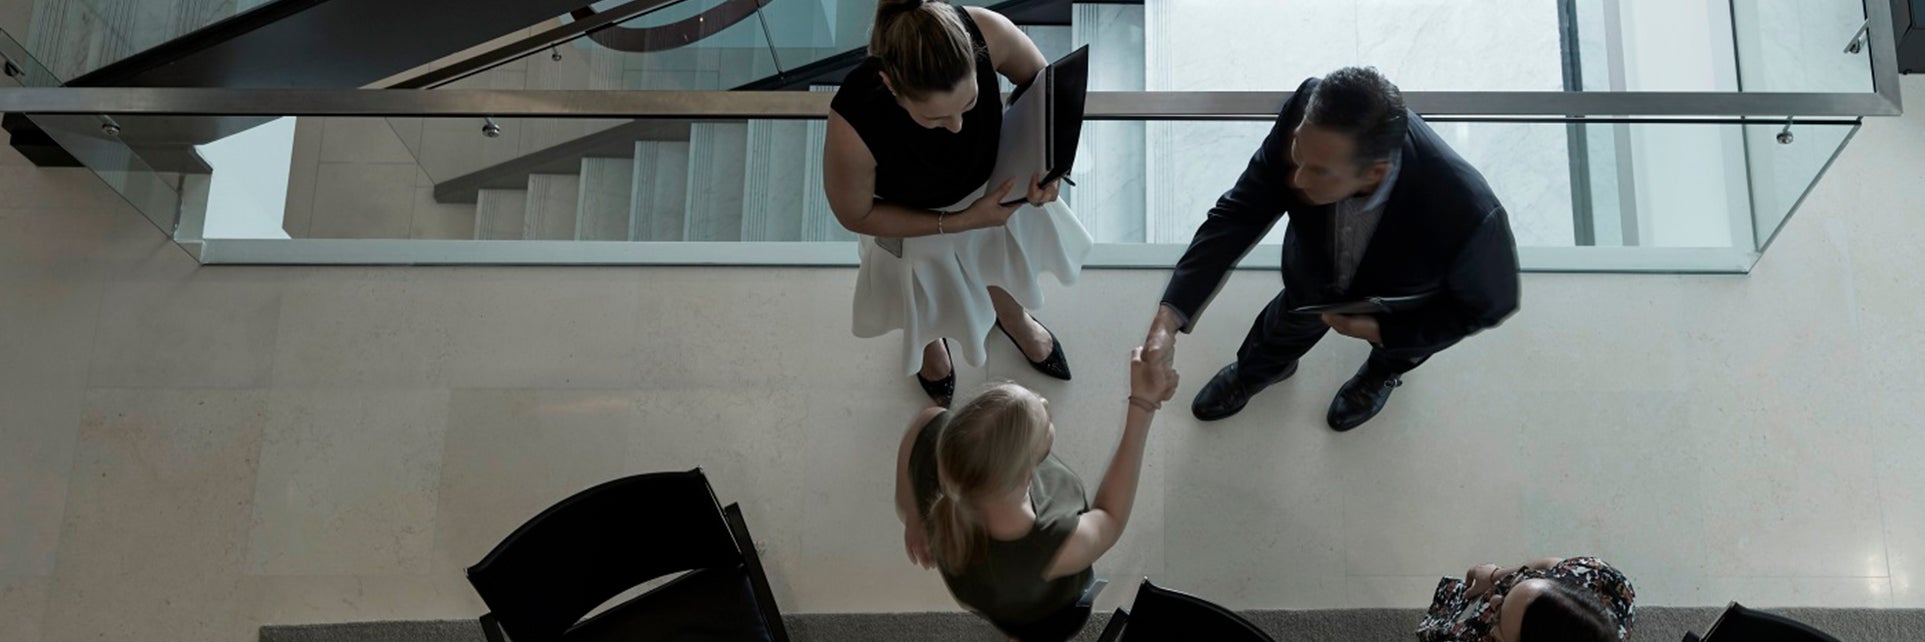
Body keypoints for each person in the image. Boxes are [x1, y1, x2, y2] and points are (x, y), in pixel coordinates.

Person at [1140, 66, 1521, 431]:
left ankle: (1379, 375)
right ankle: (1257, 372)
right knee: (1282, 328)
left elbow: (1490, 305)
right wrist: (1167, 321)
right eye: (1296, 151)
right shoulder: (1307, 110)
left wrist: (1383, 330)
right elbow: (1237, 215)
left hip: (1399, 300)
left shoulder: (1469, 213)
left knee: (1398, 350)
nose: (1297, 178)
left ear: (1375, 172)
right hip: (1312, 278)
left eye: (1319, 171)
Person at [826, 0, 1094, 407]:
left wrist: (1048, 170)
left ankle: (1012, 318)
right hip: (913, 220)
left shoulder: (987, 31)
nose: (957, 127)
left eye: (968, 105)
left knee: (995, 264)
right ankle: (929, 343)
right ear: (893, 86)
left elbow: (1045, 86)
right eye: (935, 119)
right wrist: (958, 221)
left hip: (989, 194)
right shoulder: (853, 118)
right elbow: (855, 213)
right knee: (920, 293)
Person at [893, 350, 1178, 641]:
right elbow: (1110, 517)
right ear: (1025, 472)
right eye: (1043, 425)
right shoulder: (1052, 544)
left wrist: (915, 515)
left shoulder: (950, 468)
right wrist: (1142, 406)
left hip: (994, 603)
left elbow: (928, 419)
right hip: (1049, 616)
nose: (1044, 402)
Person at [1419, 556, 1637, 642]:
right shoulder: (1610, 585)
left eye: (1499, 621)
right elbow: (1550, 564)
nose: (1495, 599)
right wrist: (1495, 574)